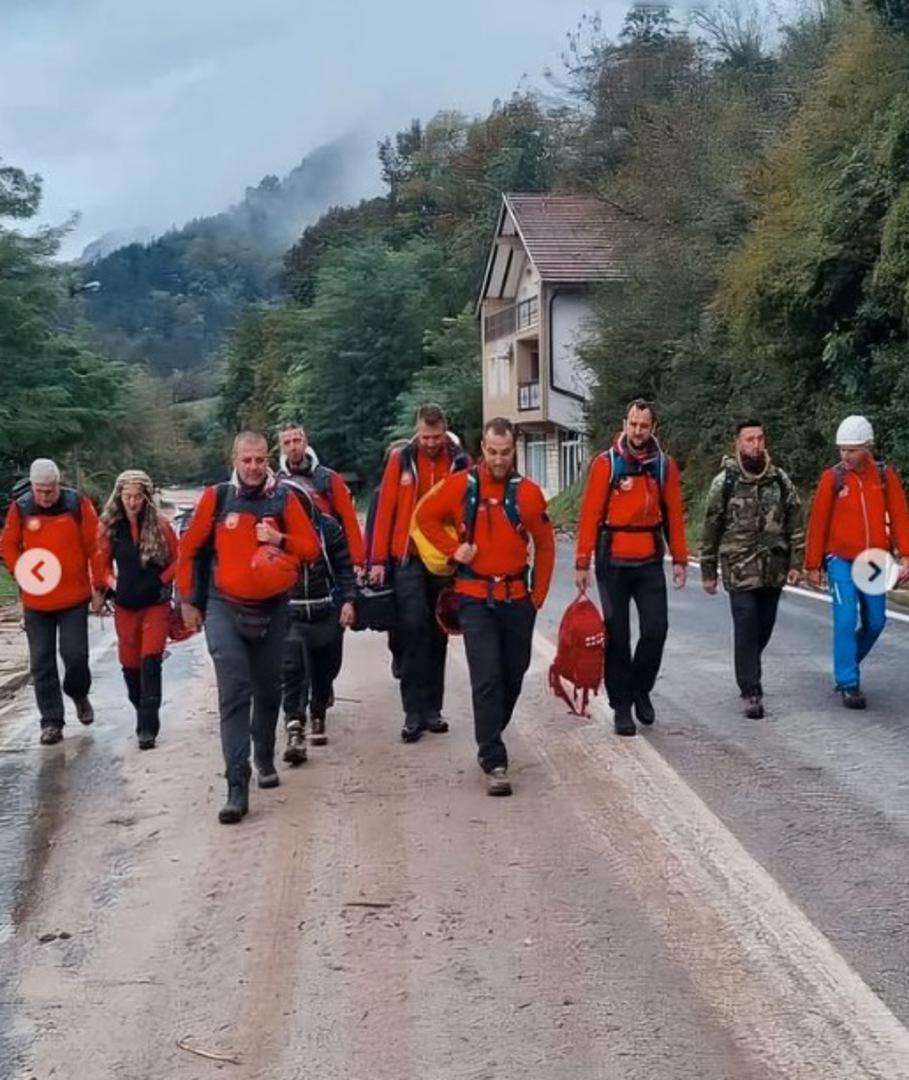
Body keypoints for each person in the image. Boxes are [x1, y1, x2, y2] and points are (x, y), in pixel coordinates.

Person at [177, 432, 322, 824]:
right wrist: (187, 601)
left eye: (260, 460)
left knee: (267, 688)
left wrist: (281, 539)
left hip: (273, 609)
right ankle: (236, 787)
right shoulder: (217, 498)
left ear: (268, 459)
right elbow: (188, 549)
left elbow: (311, 550)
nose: (254, 467)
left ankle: (264, 755)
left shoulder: (284, 498)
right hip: (224, 606)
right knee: (235, 692)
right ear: (235, 459)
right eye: (247, 460)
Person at [414, 417, 555, 795]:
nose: (498, 459)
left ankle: (491, 730)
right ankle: (493, 757)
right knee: (487, 678)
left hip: (515, 599)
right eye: (492, 452)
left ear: (514, 450)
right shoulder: (461, 486)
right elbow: (424, 517)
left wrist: (537, 597)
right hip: (475, 598)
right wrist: (452, 550)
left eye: (505, 452)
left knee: (513, 674)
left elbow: (545, 545)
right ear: (482, 449)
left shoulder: (528, 494)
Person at [575, 400, 688, 737]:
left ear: (654, 428)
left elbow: (674, 517)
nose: (638, 431)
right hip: (613, 562)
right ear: (625, 424)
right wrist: (582, 562)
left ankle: (641, 688)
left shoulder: (664, 467)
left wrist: (680, 559)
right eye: (633, 425)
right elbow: (590, 516)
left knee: (656, 629)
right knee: (618, 636)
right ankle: (621, 705)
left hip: (649, 559)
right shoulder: (605, 465)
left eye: (644, 426)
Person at [369, 404, 470, 743]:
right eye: (425, 437)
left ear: (445, 430)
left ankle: (433, 710)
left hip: (444, 559)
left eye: (436, 436)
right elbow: (385, 509)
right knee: (412, 629)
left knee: (438, 630)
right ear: (417, 431)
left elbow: (470, 507)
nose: (430, 443)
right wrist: (378, 559)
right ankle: (412, 713)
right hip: (408, 556)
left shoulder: (459, 460)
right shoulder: (402, 459)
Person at [700, 420, 804, 719]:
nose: (755, 444)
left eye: (759, 438)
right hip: (739, 569)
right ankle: (750, 690)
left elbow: (795, 521)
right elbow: (711, 527)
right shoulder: (726, 482)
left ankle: (748, 665)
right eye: (749, 439)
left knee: (764, 625)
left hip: (774, 568)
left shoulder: (779, 480)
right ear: (738, 444)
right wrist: (708, 571)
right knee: (746, 625)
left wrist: (797, 563)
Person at [804, 415, 909, 709]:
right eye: (841, 450)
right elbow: (818, 522)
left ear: (867, 447)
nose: (845, 456)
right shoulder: (832, 478)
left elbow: (900, 517)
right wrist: (813, 565)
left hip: (874, 561)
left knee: (876, 621)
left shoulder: (885, 477)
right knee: (846, 618)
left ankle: (846, 661)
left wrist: (906, 555)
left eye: (851, 450)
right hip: (841, 560)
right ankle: (848, 682)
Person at [1, 458, 100, 745]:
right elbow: (7, 544)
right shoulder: (20, 509)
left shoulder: (76, 505)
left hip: (74, 598)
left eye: (50, 490)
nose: (44, 496)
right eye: (39, 491)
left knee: (75, 656)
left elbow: (95, 545)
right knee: (42, 662)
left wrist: (99, 585)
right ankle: (52, 721)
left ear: (59, 484)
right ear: (32, 486)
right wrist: (21, 570)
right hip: (36, 602)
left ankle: (79, 693)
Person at [94, 469, 179, 749]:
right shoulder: (110, 528)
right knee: (130, 666)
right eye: (127, 496)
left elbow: (180, 560)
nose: (132, 502)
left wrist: (161, 581)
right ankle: (141, 708)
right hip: (125, 606)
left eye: (137, 497)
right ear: (119, 496)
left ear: (146, 497)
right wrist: (110, 584)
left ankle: (147, 728)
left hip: (155, 604)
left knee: (150, 660)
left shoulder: (162, 526)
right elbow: (101, 565)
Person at [282, 502, 357, 761]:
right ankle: (294, 727)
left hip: (326, 607)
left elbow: (344, 566)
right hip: (290, 611)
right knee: (292, 670)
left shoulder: (328, 527)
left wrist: (349, 600)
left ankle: (318, 712)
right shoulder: (273, 526)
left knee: (327, 668)